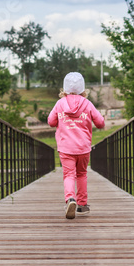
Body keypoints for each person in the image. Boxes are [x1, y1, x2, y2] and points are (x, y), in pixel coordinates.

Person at [48, 72, 105, 219]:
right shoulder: (87, 104)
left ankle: (70, 199)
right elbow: (100, 123)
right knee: (81, 174)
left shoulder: (60, 104)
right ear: (83, 89)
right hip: (83, 148)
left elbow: (51, 122)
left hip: (66, 147)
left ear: (64, 89)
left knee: (68, 175)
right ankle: (82, 205)